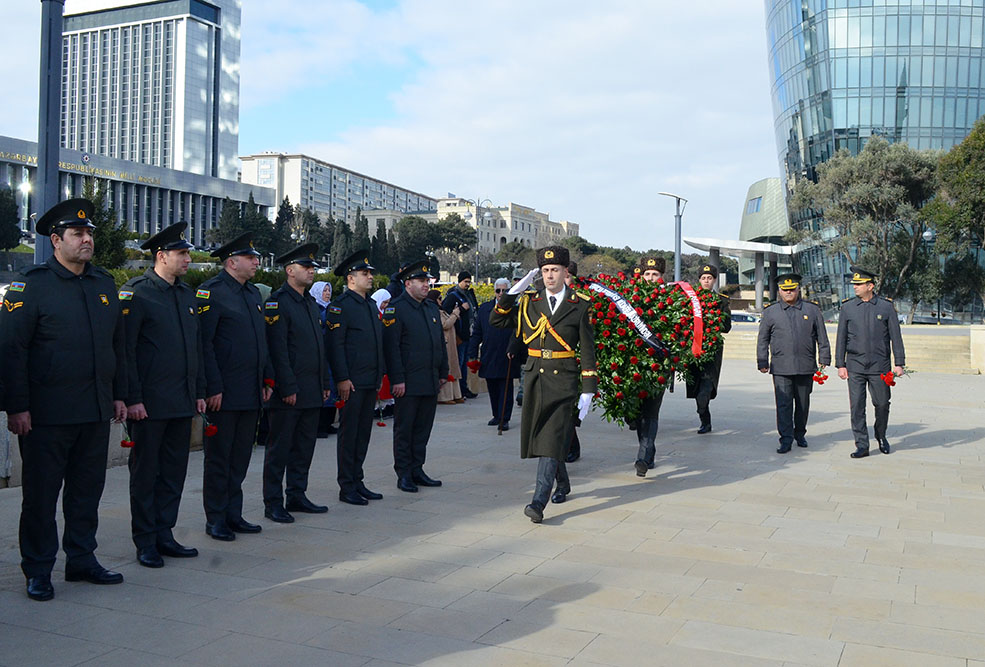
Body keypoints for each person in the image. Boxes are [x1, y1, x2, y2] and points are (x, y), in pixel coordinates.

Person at [0, 198, 127, 601]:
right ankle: (38, 569)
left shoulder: (103, 283)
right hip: (46, 415)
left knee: (87, 491)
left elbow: (116, 346)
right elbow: (11, 349)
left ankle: (81, 559)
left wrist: (121, 395)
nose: (87, 239)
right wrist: (16, 406)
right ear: (56, 240)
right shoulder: (31, 285)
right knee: (41, 496)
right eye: (78, 234)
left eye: (90, 233)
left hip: (93, 410)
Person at [490, 246, 598, 523]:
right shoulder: (528, 301)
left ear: (566, 273)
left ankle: (538, 501)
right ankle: (562, 483)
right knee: (546, 433)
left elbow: (587, 349)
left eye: (555, 270)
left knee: (551, 435)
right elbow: (497, 321)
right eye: (546, 271)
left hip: (564, 378)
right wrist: (512, 294)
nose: (550, 276)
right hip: (535, 376)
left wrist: (588, 389)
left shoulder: (580, 304)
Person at [121, 222, 206, 568]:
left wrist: (199, 392)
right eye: (181, 253)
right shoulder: (137, 292)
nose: (187, 259)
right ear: (161, 256)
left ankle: (164, 532)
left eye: (187, 253)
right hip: (149, 405)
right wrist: (132, 398)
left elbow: (195, 349)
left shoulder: (186, 295)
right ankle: (145, 541)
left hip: (181, 401)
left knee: (174, 471)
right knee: (146, 473)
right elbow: (125, 350)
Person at [199, 233, 272, 541]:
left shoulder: (253, 293)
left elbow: (261, 341)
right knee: (219, 458)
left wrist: (267, 378)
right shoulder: (211, 292)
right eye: (250, 258)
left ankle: (234, 513)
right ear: (231, 262)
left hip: (250, 391)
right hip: (224, 394)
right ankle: (215, 517)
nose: (257, 262)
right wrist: (212, 387)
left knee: (241, 456)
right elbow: (205, 346)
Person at [263, 243, 332, 522]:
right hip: (289, 392)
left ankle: (297, 494)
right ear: (290, 271)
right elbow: (277, 349)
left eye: (313, 267)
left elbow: (319, 347)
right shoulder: (278, 302)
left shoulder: (310, 303)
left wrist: (325, 380)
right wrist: (286, 386)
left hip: (312, 388)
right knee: (280, 448)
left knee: (304, 446)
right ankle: (273, 501)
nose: (312, 271)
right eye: (307, 267)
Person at [326, 250, 386, 506]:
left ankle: (357, 479)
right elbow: (335, 345)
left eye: (370, 272)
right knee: (349, 434)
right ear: (351, 278)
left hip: (369, 380)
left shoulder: (370, 305)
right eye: (365, 273)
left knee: (363, 434)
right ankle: (346, 485)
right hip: (352, 382)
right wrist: (342, 378)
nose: (370, 277)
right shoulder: (341, 306)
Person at [382, 260, 448, 492]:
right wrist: (397, 379)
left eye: (427, 281)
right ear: (407, 283)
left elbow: (440, 342)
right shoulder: (396, 309)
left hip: (429, 379)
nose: (426, 285)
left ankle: (417, 468)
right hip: (408, 382)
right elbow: (392, 348)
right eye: (421, 281)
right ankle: (404, 473)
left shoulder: (430, 308)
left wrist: (443, 372)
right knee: (405, 429)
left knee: (422, 429)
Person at [835, 266, 905, 458]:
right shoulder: (847, 308)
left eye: (858, 284)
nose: (855, 287)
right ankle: (862, 445)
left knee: (882, 403)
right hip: (855, 365)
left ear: (870, 286)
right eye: (854, 284)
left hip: (879, 366)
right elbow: (841, 337)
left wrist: (899, 362)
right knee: (857, 406)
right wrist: (840, 364)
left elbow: (895, 337)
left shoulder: (886, 307)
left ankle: (881, 436)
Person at [756, 273, 831, 454]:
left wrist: (824, 358)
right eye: (785, 290)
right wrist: (762, 361)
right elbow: (763, 339)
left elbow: (822, 336)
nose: (789, 292)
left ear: (798, 289)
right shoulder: (771, 312)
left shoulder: (812, 310)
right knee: (783, 404)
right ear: (780, 291)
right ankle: (786, 438)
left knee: (803, 404)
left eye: (792, 289)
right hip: (781, 366)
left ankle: (800, 434)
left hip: (805, 366)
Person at [469, 278, 521, 430]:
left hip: (507, 354)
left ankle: (504, 418)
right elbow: (477, 332)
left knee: (505, 388)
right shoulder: (485, 308)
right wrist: (472, 354)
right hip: (489, 354)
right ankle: (496, 415)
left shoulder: (515, 309)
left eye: (505, 291)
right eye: (498, 291)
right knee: (492, 386)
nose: (501, 294)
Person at [685, 264, 732, 433]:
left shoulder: (722, 300)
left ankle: (705, 421)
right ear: (699, 280)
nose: (706, 281)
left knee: (705, 391)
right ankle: (704, 418)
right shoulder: (690, 299)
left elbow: (727, 327)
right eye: (703, 278)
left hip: (712, 353)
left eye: (709, 278)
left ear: (714, 280)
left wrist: (717, 319)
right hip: (693, 351)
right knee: (696, 389)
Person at [633, 255, 668, 476]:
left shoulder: (671, 300)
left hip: (659, 367)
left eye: (655, 274)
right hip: (634, 367)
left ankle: (643, 457)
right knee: (638, 414)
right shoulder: (631, 301)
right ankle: (649, 451)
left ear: (662, 277)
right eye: (647, 274)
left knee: (651, 411)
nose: (651, 278)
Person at [441, 271, 478, 399]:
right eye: (465, 282)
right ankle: (460, 390)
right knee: (460, 363)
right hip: (459, 336)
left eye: (469, 282)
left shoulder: (469, 294)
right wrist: (461, 309)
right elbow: (445, 313)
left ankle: (463, 388)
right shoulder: (453, 296)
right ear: (460, 281)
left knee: (464, 363)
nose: (467, 284)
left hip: (469, 334)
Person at [311, 280, 338, 437]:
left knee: (332, 389)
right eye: (324, 290)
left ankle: (328, 423)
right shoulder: (316, 308)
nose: (327, 293)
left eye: (329, 290)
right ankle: (319, 426)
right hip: (321, 354)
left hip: (331, 353)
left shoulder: (332, 308)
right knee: (323, 389)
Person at [431, 289, 464, 405]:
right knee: (448, 368)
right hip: (445, 343)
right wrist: (455, 314)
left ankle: (456, 394)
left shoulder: (441, 311)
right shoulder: (435, 311)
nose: (441, 301)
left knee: (454, 368)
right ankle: (445, 396)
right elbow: (445, 325)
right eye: (439, 298)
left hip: (451, 343)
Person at [371, 289, 395, 418]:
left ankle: (387, 405)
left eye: (387, 303)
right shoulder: (374, 315)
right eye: (384, 302)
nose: (385, 306)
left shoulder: (386, 315)